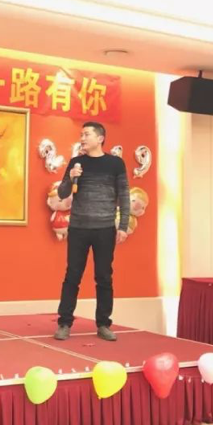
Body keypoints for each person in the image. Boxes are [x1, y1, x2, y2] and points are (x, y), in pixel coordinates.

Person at [54, 122, 130, 342]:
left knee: (104, 277)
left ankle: (103, 324)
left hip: (105, 228)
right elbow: (62, 193)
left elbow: (124, 195)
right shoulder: (76, 162)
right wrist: (71, 176)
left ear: (100, 138)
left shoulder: (115, 163)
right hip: (79, 227)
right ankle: (64, 322)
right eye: (81, 134)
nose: (82, 138)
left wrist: (123, 225)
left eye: (87, 134)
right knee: (72, 275)